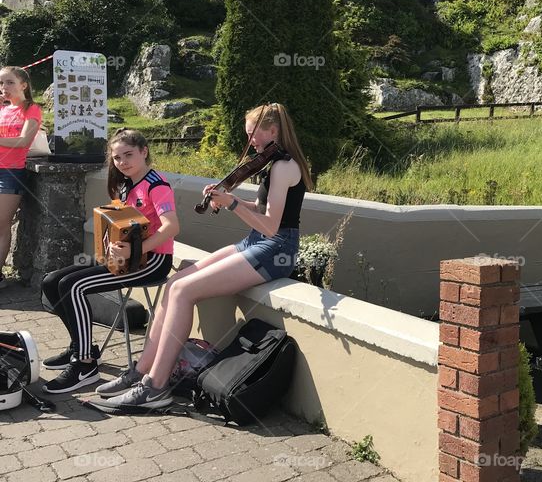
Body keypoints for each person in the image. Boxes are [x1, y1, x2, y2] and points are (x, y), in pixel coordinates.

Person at [96, 102, 312, 410]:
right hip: (256, 241)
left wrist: (232, 205)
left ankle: (155, 387)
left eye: (253, 135)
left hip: (275, 248)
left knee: (184, 291)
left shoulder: (283, 166)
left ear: (272, 131)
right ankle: (141, 370)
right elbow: (263, 209)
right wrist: (232, 199)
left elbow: (272, 224)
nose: (250, 142)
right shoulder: (274, 163)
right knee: (175, 283)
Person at [40, 129, 178, 393]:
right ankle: (80, 346)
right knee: (51, 281)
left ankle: (85, 364)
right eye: (117, 158)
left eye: (128, 155)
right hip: (125, 258)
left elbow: (171, 227)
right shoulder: (126, 183)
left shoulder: (156, 185)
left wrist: (133, 253)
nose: (123, 162)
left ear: (144, 151)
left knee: (73, 286)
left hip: (152, 261)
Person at [0, 66, 43, 289]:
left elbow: (24, 141)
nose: (4, 88)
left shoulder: (31, 109)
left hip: (10, 172)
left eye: (9, 82)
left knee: (1, 224)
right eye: (1, 84)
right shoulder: (3, 109)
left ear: (23, 85)